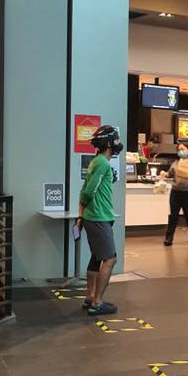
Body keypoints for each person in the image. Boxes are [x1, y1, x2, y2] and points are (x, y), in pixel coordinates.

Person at [77, 125, 122, 316]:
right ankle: (97, 302)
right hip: (98, 217)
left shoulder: (97, 162)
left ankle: (90, 297)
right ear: (110, 143)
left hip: (93, 217)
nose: (119, 143)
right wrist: (84, 211)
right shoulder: (102, 163)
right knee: (110, 258)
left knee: (96, 257)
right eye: (117, 140)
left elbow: (86, 188)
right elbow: (88, 192)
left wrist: (81, 215)